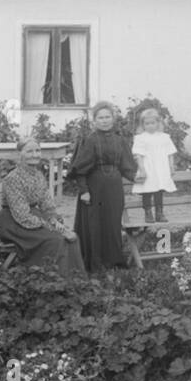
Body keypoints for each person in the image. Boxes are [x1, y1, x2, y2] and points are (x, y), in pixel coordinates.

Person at [0, 139, 86, 275]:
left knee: (70, 236)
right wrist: (50, 226)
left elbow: (46, 203)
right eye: (29, 151)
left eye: (37, 151)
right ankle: (51, 278)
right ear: (19, 153)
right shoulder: (12, 179)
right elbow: (22, 216)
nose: (35, 154)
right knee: (56, 239)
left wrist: (54, 220)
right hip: (13, 222)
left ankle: (74, 279)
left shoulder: (38, 175)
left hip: (34, 216)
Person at [67, 101, 138, 271]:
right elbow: (80, 169)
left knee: (112, 224)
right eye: (101, 117)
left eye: (107, 117)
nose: (104, 121)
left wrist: (138, 177)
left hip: (114, 188)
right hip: (93, 188)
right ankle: (95, 264)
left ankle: (113, 261)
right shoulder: (89, 140)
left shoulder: (120, 140)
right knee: (94, 225)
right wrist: (84, 191)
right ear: (94, 120)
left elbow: (127, 166)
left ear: (113, 119)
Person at [132, 107, 177, 223]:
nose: (150, 126)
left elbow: (170, 153)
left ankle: (159, 213)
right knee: (147, 190)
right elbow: (138, 155)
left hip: (161, 168)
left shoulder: (164, 137)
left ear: (158, 123)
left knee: (159, 191)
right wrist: (142, 169)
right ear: (143, 125)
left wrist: (171, 167)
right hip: (148, 168)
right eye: (147, 124)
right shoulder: (140, 138)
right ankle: (148, 213)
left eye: (153, 123)